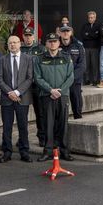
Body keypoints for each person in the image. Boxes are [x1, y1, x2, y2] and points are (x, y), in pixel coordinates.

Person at [35, 33, 75, 162]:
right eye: (50, 41)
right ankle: (47, 151)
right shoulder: (39, 58)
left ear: (59, 43)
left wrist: (60, 91)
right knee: (48, 124)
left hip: (62, 96)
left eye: (55, 41)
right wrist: (50, 90)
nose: (52, 44)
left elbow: (71, 77)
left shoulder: (66, 57)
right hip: (47, 96)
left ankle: (64, 151)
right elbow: (37, 77)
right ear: (46, 44)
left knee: (63, 124)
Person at [0, 36, 34, 163]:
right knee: (7, 127)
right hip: (7, 98)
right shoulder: (2, 59)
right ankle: (7, 152)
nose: (13, 45)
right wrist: (10, 92)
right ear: (7, 45)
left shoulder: (28, 59)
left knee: (23, 126)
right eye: (10, 43)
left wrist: (17, 92)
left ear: (20, 44)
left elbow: (30, 78)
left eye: (15, 42)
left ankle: (24, 152)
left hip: (22, 98)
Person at [80, 11, 101, 86]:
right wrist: (93, 35)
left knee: (94, 65)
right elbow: (83, 35)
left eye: (92, 17)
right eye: (89, 18)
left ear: (95, 18)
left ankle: (95, 80)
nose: (90, 19)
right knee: (86, 65)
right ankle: (87, 80)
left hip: (95, 48)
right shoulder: (85, 26)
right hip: (86, 47)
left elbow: (97, 36)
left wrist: (89, 34)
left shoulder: (98, 26)